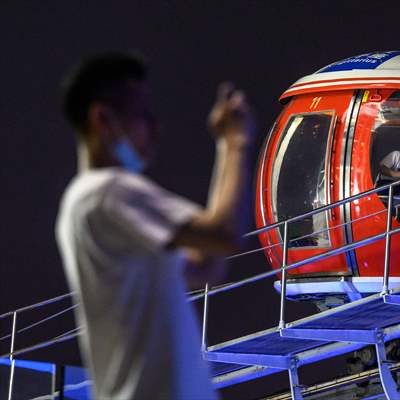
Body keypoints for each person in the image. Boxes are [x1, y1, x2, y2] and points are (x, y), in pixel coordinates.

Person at [55, 53, 254, 399]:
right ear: (102, 118)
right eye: (142, 115)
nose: (155, 127)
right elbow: (223, 235)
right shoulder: (107, 191)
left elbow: (207, 264)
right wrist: (236, 144)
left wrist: (225, 146)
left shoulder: (85, 204)